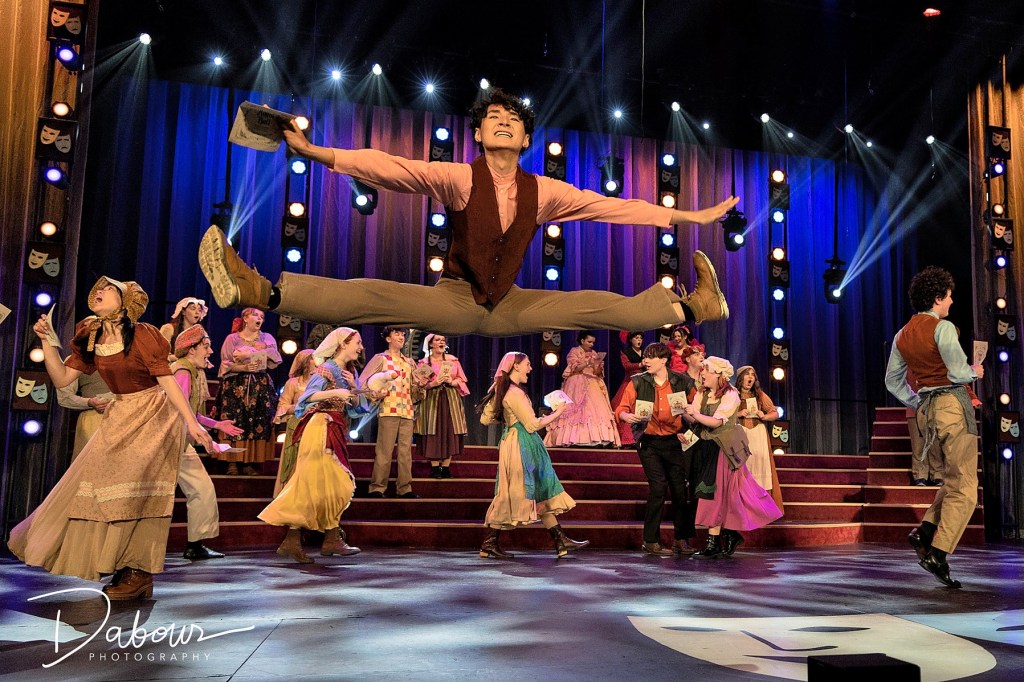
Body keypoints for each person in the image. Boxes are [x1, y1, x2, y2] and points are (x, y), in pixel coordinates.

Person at [199, 88, 737, 337]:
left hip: (513, 305)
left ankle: (697, 308)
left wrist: (687, 217)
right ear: (478, 133)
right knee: (373, 295)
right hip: (455, 300)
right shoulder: (458, 176)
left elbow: (611, 207)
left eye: (513, 119)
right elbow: (388, 166)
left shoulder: (543, 190)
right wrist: (318, 152)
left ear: (526, 137)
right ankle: (259, 291)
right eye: (492, 118)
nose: (503, 122)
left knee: (597, 305)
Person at [8, 277, 215, 600]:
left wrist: (191, 422)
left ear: (126, 301)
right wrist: (47, 342)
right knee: (107, 492)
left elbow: (167, 381)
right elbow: (63, 378)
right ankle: (122, 564)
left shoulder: (144, 334)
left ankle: (138, 571)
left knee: (142, 494)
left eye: (109, 290)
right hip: (120, 414)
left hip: (154, 414)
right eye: (98, 289)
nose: (99, 291)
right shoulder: (92, 334)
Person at [885, 266, 983, 589]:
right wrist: (975, 372)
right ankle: (938, 553)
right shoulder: (943, 329)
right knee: (966, 489)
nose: (952, 302)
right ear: (938, 297)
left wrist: (917, 402)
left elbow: (892, 382)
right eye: (949, 296)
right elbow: (957, 373)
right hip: (953, 405)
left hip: (928, 410)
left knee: (953, 479)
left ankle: (925, 531)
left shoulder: (902, 334)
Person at [259, 327, 368, 562]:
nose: (360, 347)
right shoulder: (326, 368)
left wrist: (354, 390)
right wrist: (336, 392)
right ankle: (299, 538)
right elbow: (306, 397)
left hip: (336, 426)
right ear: (342, 344)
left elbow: (358, 409)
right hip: (319, 426)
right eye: (357, 343)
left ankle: (327, 538)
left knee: (334, 485)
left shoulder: (349, 371)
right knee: (313, 483)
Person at [477, 352, 590, 558]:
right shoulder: (513, 393)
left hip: (520, 440)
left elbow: (487, 419)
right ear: (516, 366)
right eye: (527, 365)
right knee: (513, 491)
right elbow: (531, 425)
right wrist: (558, 412)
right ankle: (489, 542)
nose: (530, 369)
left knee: (539, 489)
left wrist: (508, 418)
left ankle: (560, 541)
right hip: (521, 443)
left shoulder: (509, 391)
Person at [684, 357, 782, 559]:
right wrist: (684, 412)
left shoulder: (731, 395)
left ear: (719, 375)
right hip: (706, 447)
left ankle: (716, 542)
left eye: (706, 371)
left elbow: (716, 422)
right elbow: (697, 420)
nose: (702, 374)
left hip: (724, 450)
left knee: (718, 493)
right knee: (714, 493)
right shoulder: (702, 393)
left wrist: (693, 412)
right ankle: (726, 536)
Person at [617, 343, 699, 556]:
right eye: (644, 357)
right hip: (649, 442)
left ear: (663, 360)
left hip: (674, 441)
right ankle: (650, 540)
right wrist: (628, 416)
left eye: (649, 357)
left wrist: (689, 421)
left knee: (680, 490)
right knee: (658, 487)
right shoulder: (638, 381)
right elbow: (621, 409)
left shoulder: (682, 381)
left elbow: (697, 409)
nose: (645, 361)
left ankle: (681, 539)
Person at [171, 324, 242, 560]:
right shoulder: (183, 371)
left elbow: (189, 410)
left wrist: (217, 425)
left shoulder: (189, 371)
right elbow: (177, 411)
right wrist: (203, 436)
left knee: (202, 490)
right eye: (206, 346)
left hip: (178, 441)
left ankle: (195, 544)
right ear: (191, 350)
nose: (210, 351)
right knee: (199, 490)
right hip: (171, 442)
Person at [210, 307, 281, 475]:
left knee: (255, 420)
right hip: (235, 384)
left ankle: (249, 460)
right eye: (256, 315)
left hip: (259, 385)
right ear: (246, 318)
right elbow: (225, 362)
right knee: (235, 420)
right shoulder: (232, 338)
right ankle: (231, 461)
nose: (260, 319)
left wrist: (259, 350)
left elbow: (276, 357)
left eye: (262, 317)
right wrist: (244, 366)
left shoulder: (267, 338)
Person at [359, 326, 418, 498]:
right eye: (397, 333)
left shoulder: (409, 362)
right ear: (388, 338)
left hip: (407, 410)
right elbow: (364, 382)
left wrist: (419, 385)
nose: (401, 337)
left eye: (402, 334)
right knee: (384, 451)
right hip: (389, 409)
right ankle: (377, 487)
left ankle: (404, 488)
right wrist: (376, 394)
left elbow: (414, 390)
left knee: (405, 452)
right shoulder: (381, 359)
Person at [544, 331, 621, 448]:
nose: (591, 345)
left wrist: (599, 366)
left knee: (595, 409)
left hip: (592, 382)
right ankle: (573, 437)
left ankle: (596, 438)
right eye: (589, 342)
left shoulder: (594, 353)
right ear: (582, 341)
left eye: (593, 342)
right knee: (574, 410)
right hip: (576, 382)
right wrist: (587, 362)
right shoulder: (574, 351)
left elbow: (597, 373)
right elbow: (574, 368)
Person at [413, 333, 470, 479]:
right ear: (431, 344)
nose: (441, 342)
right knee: (433, 430)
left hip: (450, 398)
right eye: (437, 340)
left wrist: (451, 381)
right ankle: (434, 468)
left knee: (449, 430)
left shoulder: (453, 360)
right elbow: (419, 386)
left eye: (443, 340)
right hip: (432, 400)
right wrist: (433, 383)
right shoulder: (423, 363)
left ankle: (445, 467)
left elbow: (462, 380)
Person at [734, 366, 784, 514]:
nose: (750, 378)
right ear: (740, 378)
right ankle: (742, 508)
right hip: (741, 434)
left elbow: (774, 413)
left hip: (758, 435)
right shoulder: (733, 395)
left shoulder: (760, 395)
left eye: (753, 375)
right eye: (747, 375)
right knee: (744, 470)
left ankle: (761, 509)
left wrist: (764, 416)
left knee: (760, 469)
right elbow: (723, 414)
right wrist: (738, 413)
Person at [273, 349, 315, 497]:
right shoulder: (293, 383)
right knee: (294, 461)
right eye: (313, 359)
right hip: (297, 426)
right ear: (305, 363)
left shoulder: (322, 382)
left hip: (316, 426)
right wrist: (301, 407)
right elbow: (282, 407)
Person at [56, 371, 113, 460]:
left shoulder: (134, 357)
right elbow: (64, 397)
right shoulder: (79, 359)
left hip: (130, 416)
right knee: (93, 463)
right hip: (96, 419)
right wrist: (89, 402)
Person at [611, 331, 645, 446]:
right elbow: (626, 366)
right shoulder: (626, 352)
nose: (639, 340)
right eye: (636, 338)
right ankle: (628, 439)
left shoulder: (645, 352)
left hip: (644, 382)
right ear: (631, 340)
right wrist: (640, 365)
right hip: (630, 381)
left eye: (640, 338)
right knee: (626, 407)